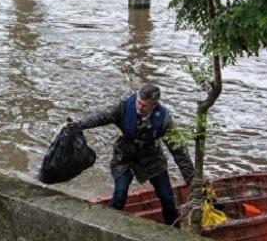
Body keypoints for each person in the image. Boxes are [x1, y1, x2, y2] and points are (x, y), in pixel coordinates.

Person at [76, 84, 194, 225]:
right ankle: (108, 226)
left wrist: (191, 179)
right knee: (120, 194)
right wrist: (78, 125)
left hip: (152, 158)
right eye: (138, 102)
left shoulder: (164, 119)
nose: (139, 107)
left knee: (167, 198)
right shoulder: (125, 107)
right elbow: (101, 116)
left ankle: (174, 230)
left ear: (153, 105)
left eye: (144, 105)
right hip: (124, 157)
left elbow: (178, 150)